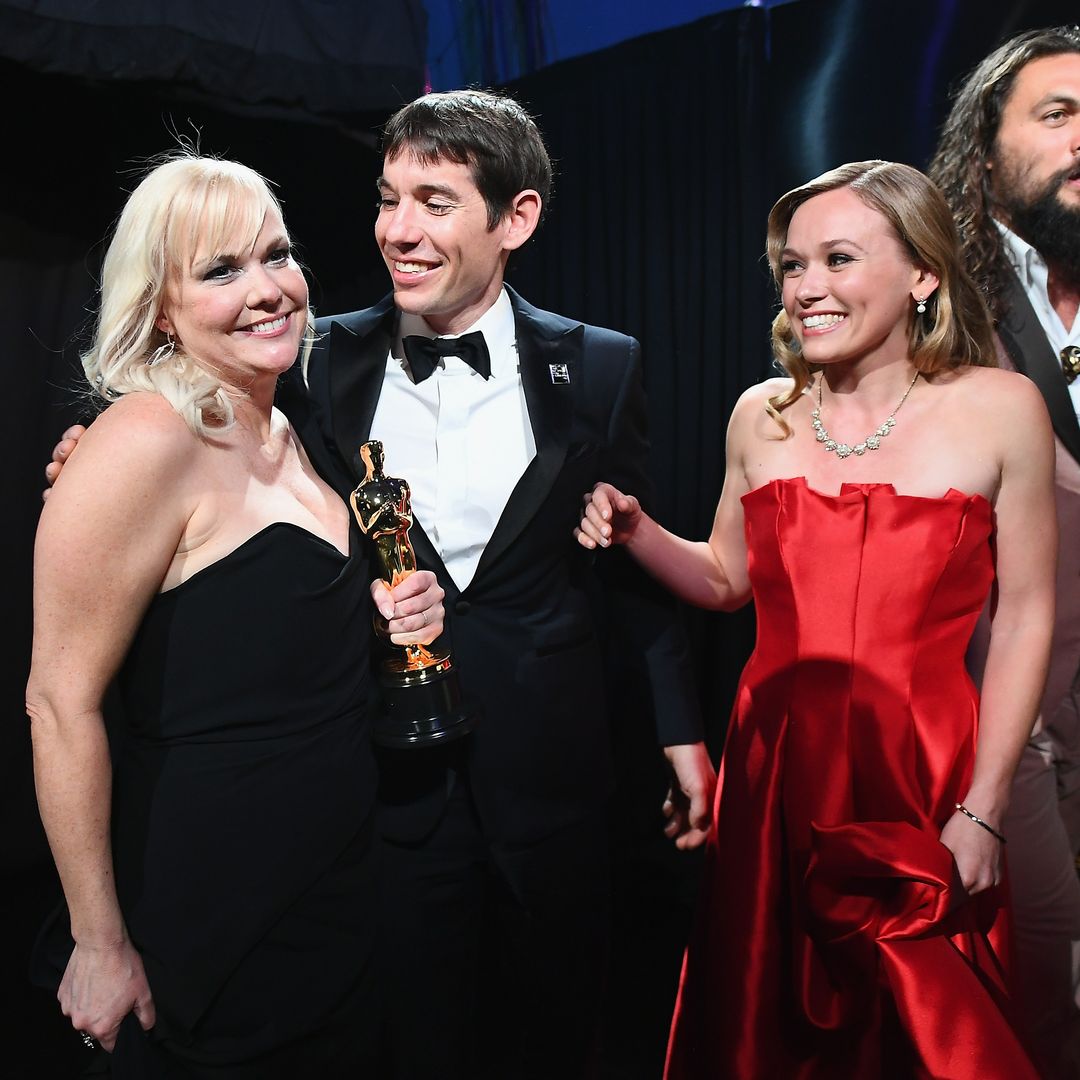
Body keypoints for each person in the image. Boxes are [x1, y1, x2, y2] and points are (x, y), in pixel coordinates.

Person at [46, 90, 714, 1079]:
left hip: (551, 770)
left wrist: (679, 727)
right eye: (386, 197)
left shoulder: (602, 367)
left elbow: (625, 543)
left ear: (515, 219)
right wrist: (92, 459)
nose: (399, 230)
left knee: (562, 1032)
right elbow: (197, 459)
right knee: (412, 1039)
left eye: (435, 202)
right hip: (382, 790)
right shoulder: (315, 358)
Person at [578, 160, 1056, 1078]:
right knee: (772, 1032)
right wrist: (637, 529)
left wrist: (985, 810)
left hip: (926, 771)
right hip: (776, 771)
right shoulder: (761, 415)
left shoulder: (1002, 409)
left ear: (923, 274)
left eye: (837, 259)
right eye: (791, 266)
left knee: (929, 1033)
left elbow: (1028, 615)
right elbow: (726, 579)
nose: (807, 288)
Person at [25, 153, 444, 1078]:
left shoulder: (292, 425)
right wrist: (99, 943)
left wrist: (384, 616)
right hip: (211, 921)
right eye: (221, 270)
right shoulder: (142, 439)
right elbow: (58, 702)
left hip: (331, 897)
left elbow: (253, 634)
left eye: (277, 255)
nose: (269, 290)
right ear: (160, 308)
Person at [928, 25, 1080, 1078]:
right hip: (1000, 721)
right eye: (1059, 114)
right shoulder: (936, 300)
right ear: (984, 155)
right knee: (1026, 1002)